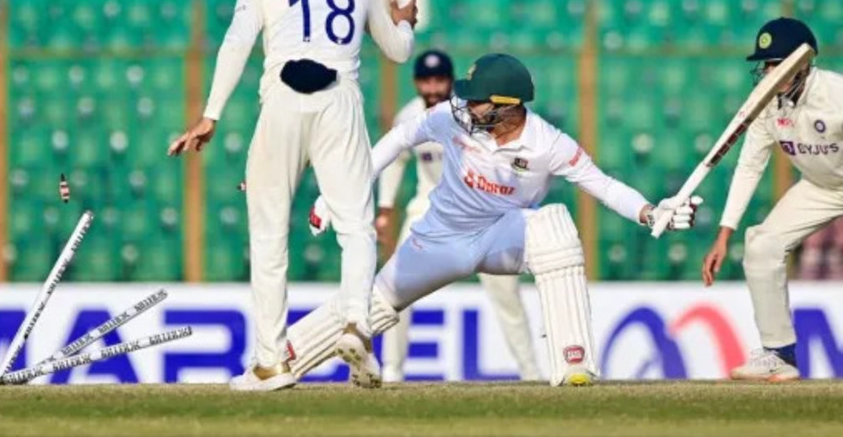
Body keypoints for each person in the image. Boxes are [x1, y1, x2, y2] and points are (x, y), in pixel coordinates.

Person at [299, 53, 701, 387]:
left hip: (500, 235)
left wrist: (650, 212)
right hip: (440, 238)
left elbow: (605, 186)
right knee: (366, 307)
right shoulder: (450, 118)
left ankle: (572, 361)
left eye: (477, 100)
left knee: (554, 224)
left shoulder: (548, 143)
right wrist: (340, 196)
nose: (466, 106)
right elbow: (399, 140)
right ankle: (278, 361)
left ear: (508, 104)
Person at [168, 0, 418, 391]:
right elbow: (399, 51)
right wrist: (404, 21)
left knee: (268, 235)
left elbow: (235, 45)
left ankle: (271, 362)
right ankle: (355, 324)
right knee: (356, 227)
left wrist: (210, 114)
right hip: (340, 101)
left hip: (282, 101)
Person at [376, 49, 540, 382]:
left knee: (505, 294)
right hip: (429, 210)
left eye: (440, 80)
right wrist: (384, 209)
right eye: (426, 80)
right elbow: (395, 159)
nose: (433, 87)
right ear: (416, 82)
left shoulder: (475, 115)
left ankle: (530, 371)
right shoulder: (411, 116)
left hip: (483, 215)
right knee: (395, 284)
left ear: (452, 82)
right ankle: (392, 370)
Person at [702, 17, 842, 382]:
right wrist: (724, 234)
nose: (766, 72)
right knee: (762, 245)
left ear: (802, 63)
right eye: (764, 65)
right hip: (820, 187)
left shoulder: (835, 94)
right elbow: (749, 165)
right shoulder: (766, 105)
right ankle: (779, 353)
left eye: (774, 64)